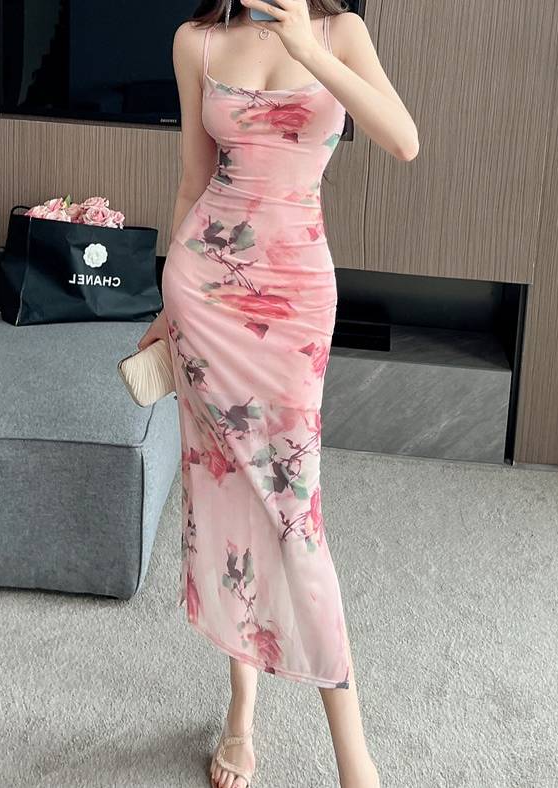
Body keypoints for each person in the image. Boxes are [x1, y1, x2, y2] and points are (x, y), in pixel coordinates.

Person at [138, 1, 418, 785]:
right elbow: (193, 180)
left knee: (296, 512)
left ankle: (353, 758)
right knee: (223, 494)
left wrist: (307, 48)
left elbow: (404, 140)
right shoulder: (196, 42)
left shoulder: (340, 33)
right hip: (204, 292)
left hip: (295, 295)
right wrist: (165, 308)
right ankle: (240, 712)